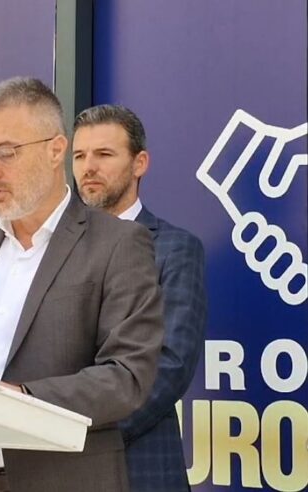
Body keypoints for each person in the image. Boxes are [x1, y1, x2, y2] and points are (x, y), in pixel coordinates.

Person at [0, 77, 164, 492]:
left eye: (5, 153)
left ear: (56, 150)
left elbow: (127, 376)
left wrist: (20, 398)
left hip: (61, 480)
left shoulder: (117, 243)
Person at [72, 104, 207, 492]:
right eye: (79, 156)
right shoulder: (55, 251)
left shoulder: (175, 249)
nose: (88, 167)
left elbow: (170, 365)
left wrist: (82, 435)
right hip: (50, 467)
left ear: (139, 163)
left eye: (104, 154)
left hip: (137, 468)